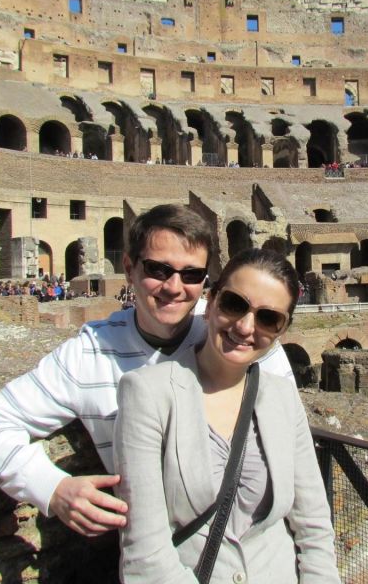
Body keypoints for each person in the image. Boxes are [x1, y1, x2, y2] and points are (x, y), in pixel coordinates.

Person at [0, 204, 294, 537]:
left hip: (263, 547)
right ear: (129, 268)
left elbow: (294, 450)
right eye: (158, 270)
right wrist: (50, 486)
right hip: (168, 554)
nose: (174, 287)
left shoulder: (237, 334)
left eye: (191, 274)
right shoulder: (90, 354)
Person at [114, 249, 340, 583]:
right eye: (235, 304)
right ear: (211, 301)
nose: (246, 327)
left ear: (282, 329)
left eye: (268, 318)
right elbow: (146, 557)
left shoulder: (282, 396)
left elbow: (315, 529)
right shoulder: (148, 394)